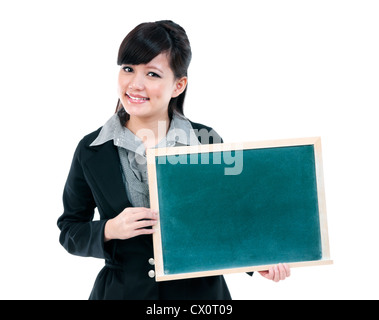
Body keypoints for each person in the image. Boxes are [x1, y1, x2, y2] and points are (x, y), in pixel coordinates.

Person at [57, 20, 290, 300]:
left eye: (152, 74)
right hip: (122, 292)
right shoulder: (92, 149)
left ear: (178, 85)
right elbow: (71, 229)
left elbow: (231, 219)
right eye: (128, 69)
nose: (135, 84)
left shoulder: (206, 140)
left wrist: (259, 262)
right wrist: (109, 229)